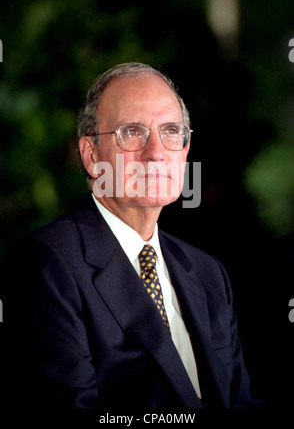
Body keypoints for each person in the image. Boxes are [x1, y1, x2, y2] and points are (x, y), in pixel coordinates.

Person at [1, 62, 262, 409]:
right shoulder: (46, 265)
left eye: (171, 131)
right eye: (132, 132)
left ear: (185, 151)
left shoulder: (208, 274)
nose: (155, 153)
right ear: (92, 156)